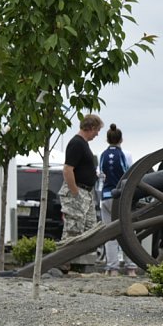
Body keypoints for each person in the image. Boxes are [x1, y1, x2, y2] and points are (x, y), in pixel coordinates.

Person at [58, 114, 103, 265]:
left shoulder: (83, 144)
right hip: (77, 191)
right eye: (97, 130)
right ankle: (62, 263)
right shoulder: (76, 143)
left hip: (87, 192)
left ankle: (81, 261)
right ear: (90, 128)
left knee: (90, 228)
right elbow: (67, 169)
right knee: (73, 229)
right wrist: (75, 192)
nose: (97, 134)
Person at [98, 124, 138, 276]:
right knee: (128, 231)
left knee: (109, 233)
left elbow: (101, 173)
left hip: (107, 195)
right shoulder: (125, 154)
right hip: (121, 196)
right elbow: (128, 174)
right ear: (121, 139)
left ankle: (112, 267)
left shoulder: (102, 154)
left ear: (107, 139)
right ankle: (131, 267)